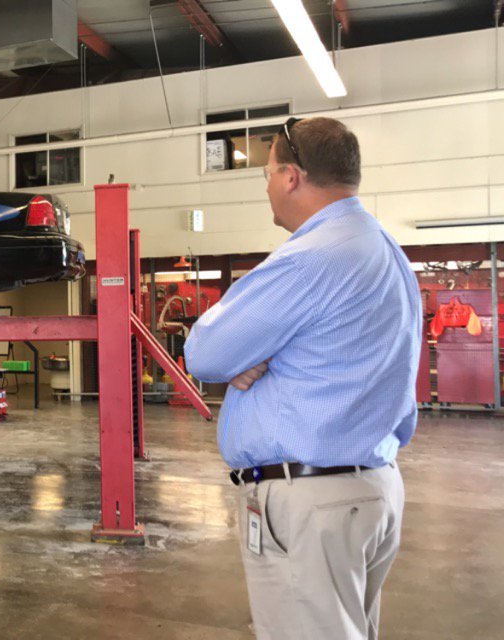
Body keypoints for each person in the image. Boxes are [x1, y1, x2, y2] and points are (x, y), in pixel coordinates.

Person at [184, 117, 421, 640]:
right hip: (371, 486)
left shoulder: (311, 257)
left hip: (313, 501)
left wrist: (243, 356)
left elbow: (204, 351)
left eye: (266, 172)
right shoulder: (386, 253)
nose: (266, 185)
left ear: (291, 176)